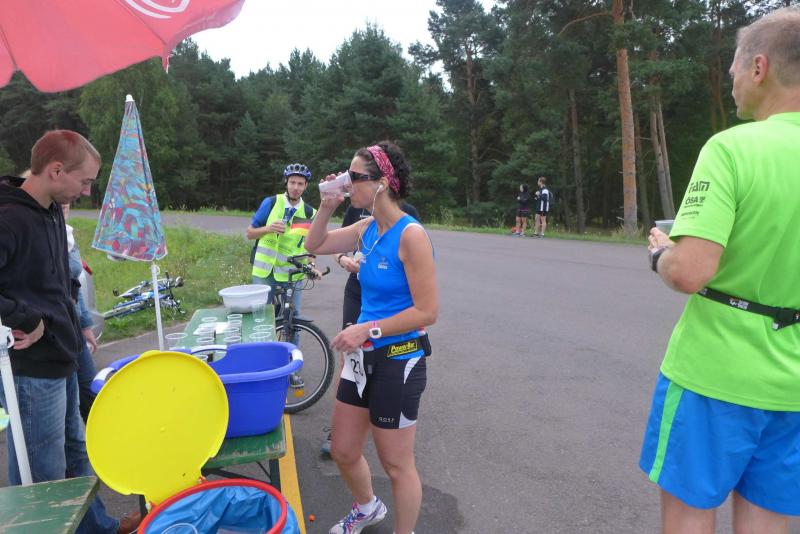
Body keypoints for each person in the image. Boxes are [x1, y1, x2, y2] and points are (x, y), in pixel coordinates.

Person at [639, 8, 800, 533]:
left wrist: (661, 254)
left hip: (714, 373)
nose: (731, 80)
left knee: (689, 513)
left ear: (759, 67)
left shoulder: (732, 148)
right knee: (769, 520)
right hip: (794, 384)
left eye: (734, 68)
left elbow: (690, 272)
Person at [0, 130, 140, 533]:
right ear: (56, 170)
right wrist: (26, 318)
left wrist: (76, 321)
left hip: (63, 353)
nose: (87, 191)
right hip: (31, 368)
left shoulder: (49, 211)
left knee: (77, 452)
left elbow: (60, 280)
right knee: (42, 473)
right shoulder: (9, 218)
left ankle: (99, 528)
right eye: (85, 181)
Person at [305, 141, 437, 534]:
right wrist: (326, 205)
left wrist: (367, 329)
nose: (347, 184)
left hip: (399, 358)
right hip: (362, 358)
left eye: (354, 177)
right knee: (344, 450)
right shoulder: (367, 229)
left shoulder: (410, 235)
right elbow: (315, 245)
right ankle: (367, 508)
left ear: (381, 183)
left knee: (396, 465)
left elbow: (427, 312)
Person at [321, 199, 420, 456]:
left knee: (383, 355)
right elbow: (332, 246)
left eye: (359, 180)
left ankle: (381, 418)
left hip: (388, 300)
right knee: (348, 355)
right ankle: (342, 426)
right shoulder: (357, 210)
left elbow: (415, 264)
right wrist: (343, 260)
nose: (353, 186)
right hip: (357, 290)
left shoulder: (407, 214)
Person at [247, 163, 318, 379]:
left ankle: (291, 368)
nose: (295, 187)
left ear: (305, 186)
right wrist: (268, 228)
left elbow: (312, 245)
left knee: (293, 322)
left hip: (291, 274)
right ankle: (262, 366)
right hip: (265, 272)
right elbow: (250, 233)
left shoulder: (310, 213)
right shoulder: (271, 203)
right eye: (292, 182)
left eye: (300, 184)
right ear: (286, 183)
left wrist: (312, 263)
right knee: (261, 320)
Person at [63, 202, 99, 423]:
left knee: (90, 390)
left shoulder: (67, 235)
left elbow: (74, 284)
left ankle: (104, 437)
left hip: (74, 326)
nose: (65, 204)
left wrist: (86, 326)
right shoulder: (40, 234)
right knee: (67, 407)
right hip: (53, 330)